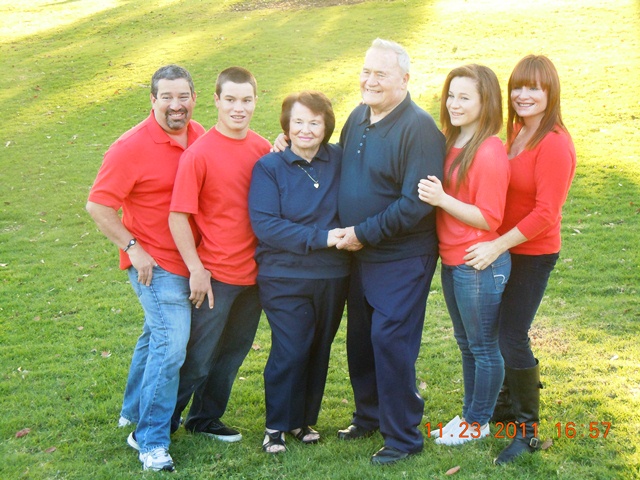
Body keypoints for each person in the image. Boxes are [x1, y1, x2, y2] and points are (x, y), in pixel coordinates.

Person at [86, 64, 204, 472]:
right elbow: (98, 205)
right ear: (153, 100)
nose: (176, 105)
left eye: (183, 96)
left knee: (155, 334)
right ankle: (151, 440)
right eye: (166, 97)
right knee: (171, 346)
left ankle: (132, 409)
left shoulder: (199, 135)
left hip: (190, 260)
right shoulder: (130, 147)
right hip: (154, 264)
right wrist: (132, 248)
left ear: (194, 98)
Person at [335, 38, 445, 465]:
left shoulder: (419, 129)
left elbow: (415, 204)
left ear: (404, 79)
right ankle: (368, 416)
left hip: (403, 256)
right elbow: (341, 162)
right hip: (359, 254)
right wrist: (291, 143)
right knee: (362, 339)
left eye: (381, 73)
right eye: (366, 71)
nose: (370, 80)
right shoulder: (357, 116)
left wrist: (364, 232)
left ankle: (402, 437)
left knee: (390, 339)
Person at [462, 55, 576, 464]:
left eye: (534, 88)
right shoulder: (515, 131)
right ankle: (505, 410)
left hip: (531, 253)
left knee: (512, 335)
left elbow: (546, 213)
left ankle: (527, 432)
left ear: (550, 92)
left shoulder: (555, 143)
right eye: (517, 87)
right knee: (495, 332)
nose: (523, 95)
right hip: (504, 249)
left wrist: (497, 245)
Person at [168, 66, 271, 443]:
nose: (238, 108)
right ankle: (161, 424)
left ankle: (204, 418)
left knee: (231, 356)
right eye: (230, 100)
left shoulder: (263, 150)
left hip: (255, 277)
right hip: (215, 277)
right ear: (216, 100)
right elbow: (178, 216)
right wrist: (196, 269)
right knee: (198, 359)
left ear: (256, 101)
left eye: (246, 100)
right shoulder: (199, 154)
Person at [249, 91, 350, 454]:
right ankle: (276, 425)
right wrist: (322, 237)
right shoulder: (269, 167)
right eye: (298, 122)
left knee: (318, 347)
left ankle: (302, 420)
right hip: (284, 276)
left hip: (332, 275)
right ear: (286, 126)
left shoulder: (339, 160)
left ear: (326, 126)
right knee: (291, 348)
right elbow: (266, 225)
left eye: (314, 122)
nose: (305, 129)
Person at [417, 64, 511, 446]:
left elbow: (490, 218)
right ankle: (472, 417)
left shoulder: (489, 150)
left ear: (485, 102)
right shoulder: (450, 139)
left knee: (484, 348)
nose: (454, 104)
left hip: (477, 264)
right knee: (467, 344)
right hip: (453, 259)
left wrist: (442, 199)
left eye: (464, 97)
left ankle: (477, 422)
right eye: (451, 96)